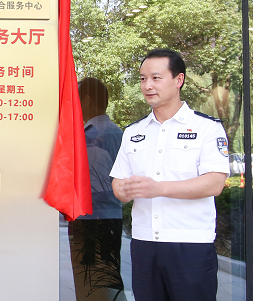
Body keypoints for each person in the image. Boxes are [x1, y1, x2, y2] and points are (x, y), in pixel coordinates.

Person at [110, 49, 229, 301]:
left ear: (179, 80)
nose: (147, 86)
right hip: (144, 244)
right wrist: (123, 191)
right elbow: (119, 182)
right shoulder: (133, 132)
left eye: (156, 78)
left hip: (190, 245)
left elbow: (214, 183)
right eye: (143, 79)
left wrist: (159, 188)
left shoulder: (206, 128)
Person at [69, 78, 125, 301]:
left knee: (91, 282)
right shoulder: (119, 134)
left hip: (91, 221)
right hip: (112, 218)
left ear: (87, 100)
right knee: (107, 278)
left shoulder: (89, 136)